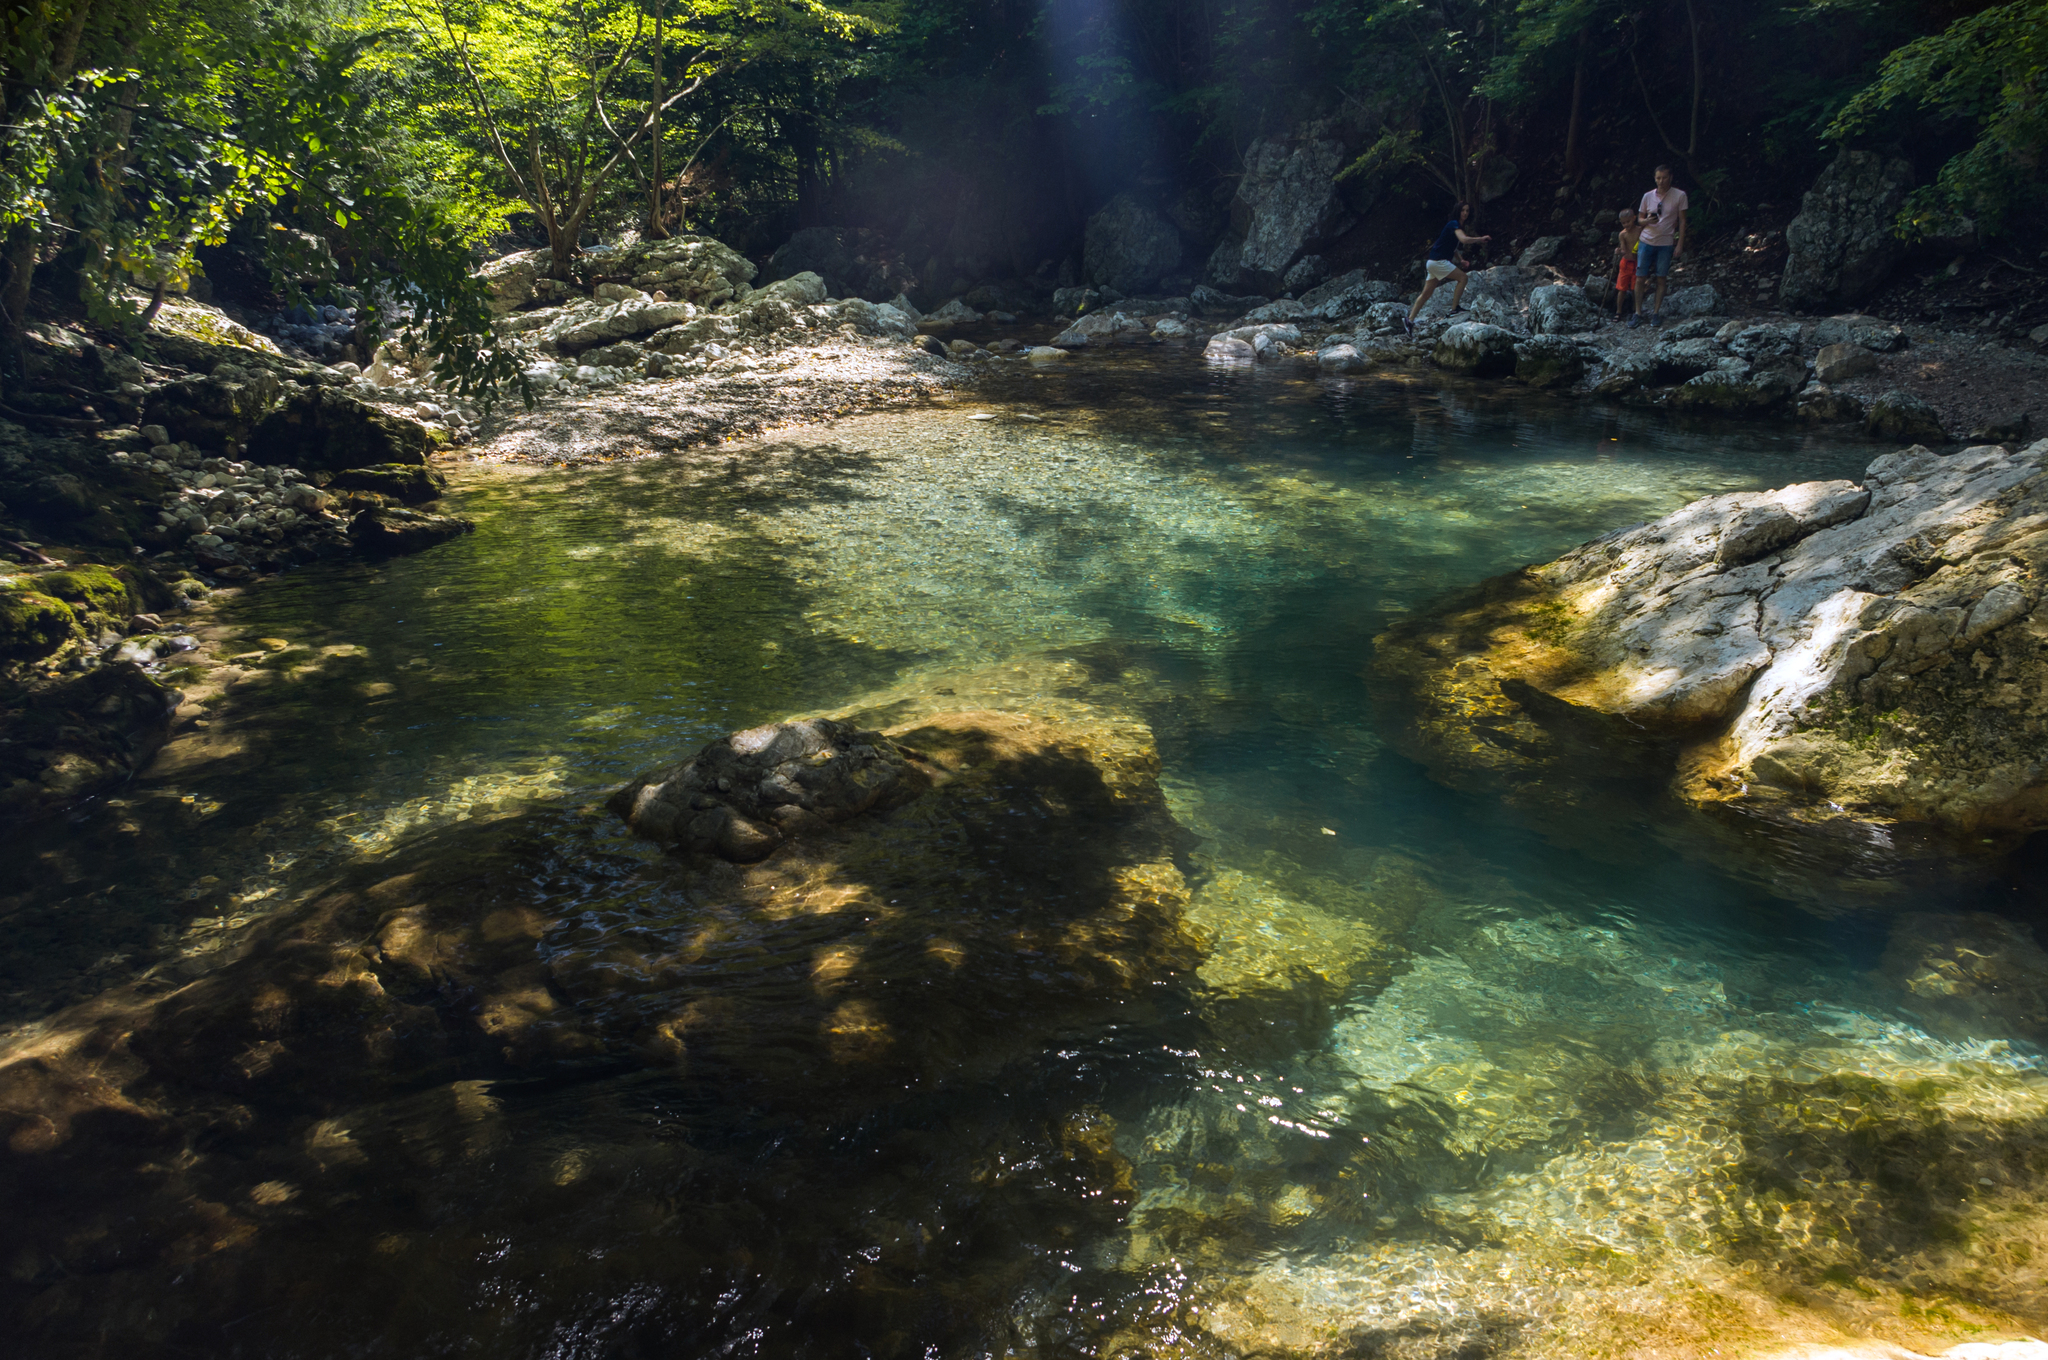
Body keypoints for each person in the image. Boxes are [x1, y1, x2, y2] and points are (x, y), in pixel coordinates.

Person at [1402, 203, 1491, 335]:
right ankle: (1454, 309)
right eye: (1462, 210)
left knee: (1426, 293)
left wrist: (1461, 260)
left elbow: (1452, 247)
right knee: (1463, 278)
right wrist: (1480, 239)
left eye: (1467, 211)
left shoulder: (1455, 226)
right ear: (1457, 211)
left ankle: (1409, 320)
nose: (1465, 213)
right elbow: (1464, 240)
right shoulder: (1454, 224)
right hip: (1438, 262)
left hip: (1432, 262)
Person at [1630, 164, 1688, 327]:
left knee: (1661, 277)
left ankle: (1656, 313)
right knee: (1640, 277)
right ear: (1654, 179)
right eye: (1658, 178)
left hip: (1666, 243)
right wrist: (1646, 220)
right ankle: (1637, 312)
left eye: (1664, 178)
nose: (1661, 181)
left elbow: (1682, 221)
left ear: (1670, 178)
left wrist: (1680, 243)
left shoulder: (1679, 195)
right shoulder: (1648, 196)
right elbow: (1639, 219)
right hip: (1646, 240)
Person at [1612, 206, 1642, 322]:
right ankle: (1618, 311)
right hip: (1625, 263)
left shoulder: (1640, 230)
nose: (1626, 225)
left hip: (1637, 263)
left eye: (1628, 222)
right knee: (1622, 288)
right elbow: (1623, 249)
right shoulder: (1622, 234)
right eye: (1623, 223)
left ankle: (1636, 310)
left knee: (1636, 288)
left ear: (1634, 218)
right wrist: (1619, 252)